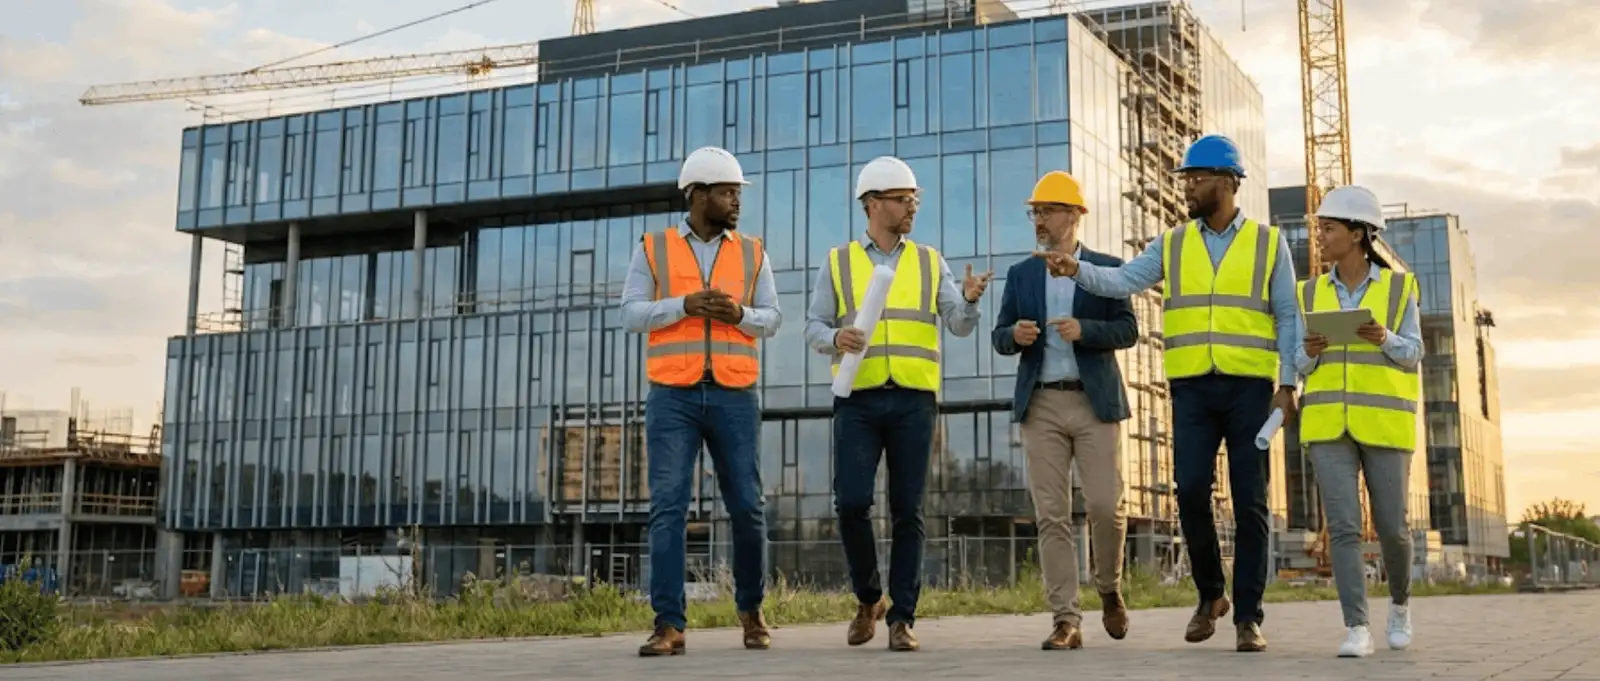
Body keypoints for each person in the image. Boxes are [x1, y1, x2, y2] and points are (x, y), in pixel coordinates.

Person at [1035, 134, 1300, 652]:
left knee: (1250, 503)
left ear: (1228, 183)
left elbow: (1289, 314)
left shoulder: (1269, 244)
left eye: (1196, 179)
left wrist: (1289, 384)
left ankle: (1248, 617)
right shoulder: (1174, 242)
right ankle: (1209, 595)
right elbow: (1124, 280)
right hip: (1193, 390)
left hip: (1251, 391)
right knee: (1190, 492)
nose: (1188, 188)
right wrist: (1077, 269)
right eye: (1185, 179)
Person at [803, 156, 992, 652]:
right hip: (857, 401)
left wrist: (969, 299)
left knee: (908, 510)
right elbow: (812, 326)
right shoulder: (838, 261)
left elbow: (958, 323)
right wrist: (834, 338)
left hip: (913, 400)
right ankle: (870, 599)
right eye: (904, 199)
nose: (913, 207)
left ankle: (902, 619)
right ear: (872, 204)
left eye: (915, 199)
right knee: (851, 504)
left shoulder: (931, 261)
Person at [620, 146, 782, 657]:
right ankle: (669, 624)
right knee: (667, 508)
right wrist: (682, 305)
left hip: (735, 392)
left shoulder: (753, 252)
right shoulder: (653, 247)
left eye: (737, 192)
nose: (737, 201)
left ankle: (751, 610)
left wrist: (738, 313)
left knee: (748, 509)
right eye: (728, 192)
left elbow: (773, 318)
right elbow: (631, 312)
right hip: (673, 394)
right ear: (698, 195)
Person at [992, 171, 1139, 650]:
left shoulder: (1108, 268)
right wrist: (1014, 336)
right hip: (1042, 404)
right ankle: (1065, 619)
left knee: (1104, 506)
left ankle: (1109, 586)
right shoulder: (1021, 275)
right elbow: (999, 336)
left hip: (1094, 402)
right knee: (1051, 514)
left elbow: (1128, 330)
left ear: (1075, 216)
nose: (1041, 220)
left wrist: (1087, 331)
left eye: (1049, 211)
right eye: (1036, 211)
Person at [1296, 185, 1422, 658]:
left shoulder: (1398, 287)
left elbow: (1414, 353)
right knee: (1344, 529)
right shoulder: (1309, 291)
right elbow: (1295, 362)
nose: (1321, 237)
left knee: (1392, 528)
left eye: (1327, 229)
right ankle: (1356, 627)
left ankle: (1401, 605)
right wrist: (1306, 354)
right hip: (1329, 425)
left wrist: (1384, 336)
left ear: (1357, 233)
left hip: (1384, 424)